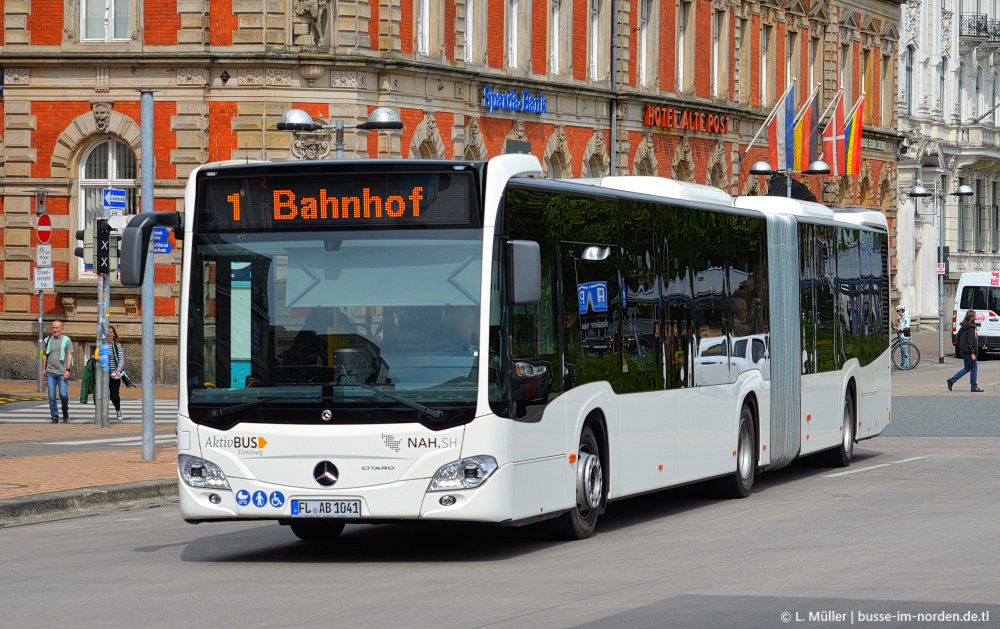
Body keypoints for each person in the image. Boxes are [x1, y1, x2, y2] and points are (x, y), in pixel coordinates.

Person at [43, 320, 74, 423]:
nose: (55, 330)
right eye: (53, 328)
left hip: (62, 372)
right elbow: (44, 355)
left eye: (57, 328)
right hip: (50, 372)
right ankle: (55, 416)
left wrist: (67, 370)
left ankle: (65, 410)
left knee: (63, 394)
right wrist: (44, 369)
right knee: (52, 396)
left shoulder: (66, 340)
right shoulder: (47, 340)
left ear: (61, 329)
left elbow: (69, 355)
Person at [948, 309, 984, 392]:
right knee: (974, 368)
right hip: (969, 352)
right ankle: (973, 386)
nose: (976, 317)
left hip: (963, 351)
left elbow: (957, 337)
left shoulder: (963, 326)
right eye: (975, 316)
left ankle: (951, 380)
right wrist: (972, 353)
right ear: (972, 317)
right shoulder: (971, 328)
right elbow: (970, 341)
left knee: (967, 368)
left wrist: (961, 347)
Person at [108, 326, 125, 422]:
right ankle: (103, 413)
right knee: (102, 395)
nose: (109, 334)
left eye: (110, 332)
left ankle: (118, 410)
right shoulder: (102, 345)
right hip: (104, 374)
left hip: (114, 374)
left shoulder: (117, 345)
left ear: (114, 334)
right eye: (107, 332)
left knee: (114, 395)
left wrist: (118, 370)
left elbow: (121, 359)